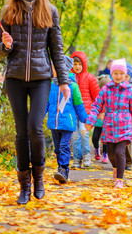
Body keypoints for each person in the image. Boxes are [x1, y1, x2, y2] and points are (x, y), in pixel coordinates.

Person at [0, 0, 70, 205]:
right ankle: (24, 186)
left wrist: (63, 81)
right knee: (21, 131)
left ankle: (39, 179)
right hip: (14, 78)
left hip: (41, 78)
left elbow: (57, 48)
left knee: (35, 127)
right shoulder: (9, 11)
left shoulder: (50, 11)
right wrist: (6, 46)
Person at [85, 58, 132, 188]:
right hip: (109, 126)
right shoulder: (105, 89)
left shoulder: (129, 90)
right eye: (115, 73)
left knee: (119, 152)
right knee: (111, 154)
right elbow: (96, 106)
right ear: (111, 74)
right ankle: (116, 167)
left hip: (125, 126)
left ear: (125, 75)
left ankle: (119, 179)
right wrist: (90, 120)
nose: (118, 76)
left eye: (121, 73)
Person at [45, 56, 88, 184]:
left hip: (67, 123)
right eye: (54, 67)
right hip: (54, 122)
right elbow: (46, 104)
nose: (54, 70)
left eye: (57, 67)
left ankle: (63, 169)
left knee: (64, 146)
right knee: (57, 149)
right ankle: (61, 169)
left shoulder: (73, 87)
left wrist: (86, 120)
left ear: (66, 69)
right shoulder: (50, 86)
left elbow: (79, 105)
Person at [70, 51, 100, 169]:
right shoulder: (68, 78)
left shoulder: (90, 78)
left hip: (86, 112)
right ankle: (77, 159)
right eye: (75, 64)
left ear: (84, 64)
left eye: (79, 64)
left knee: (83, 134)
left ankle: (86, 156)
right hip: (72, 113)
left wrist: (98, 112)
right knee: (75, 136)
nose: (77, 67)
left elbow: (97, 97)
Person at [92, 75, 111, 163]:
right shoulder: (98, 96)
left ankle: (105, 155)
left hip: (107, 123)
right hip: (98, 122)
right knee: (95, 138)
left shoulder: (112, 97)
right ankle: (96, 149)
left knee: (105, 140)